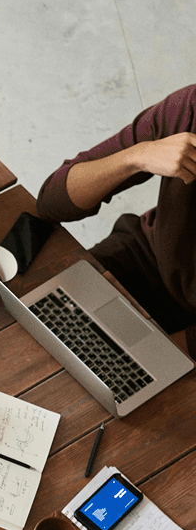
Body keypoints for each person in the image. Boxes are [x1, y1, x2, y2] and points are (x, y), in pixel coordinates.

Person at [37, 86, 196, 354]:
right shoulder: (189, 108)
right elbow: (52, 202)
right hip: (146, 260)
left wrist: (156, 355)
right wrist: (138, 156)